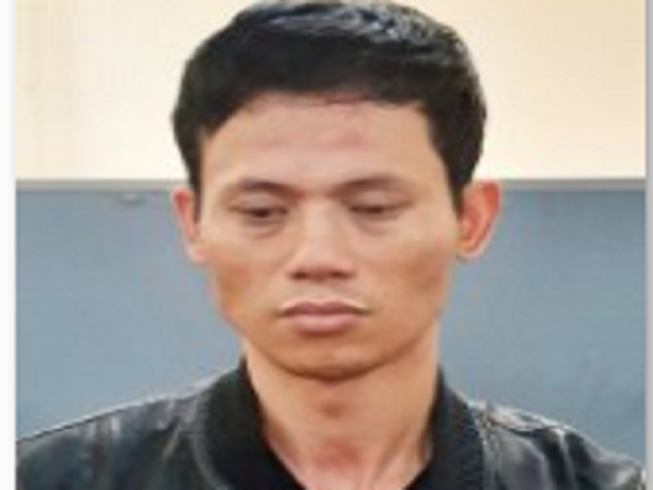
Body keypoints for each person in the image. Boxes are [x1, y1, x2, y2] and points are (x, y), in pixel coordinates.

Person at [18, 1, 644, 489]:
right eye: (262, 212)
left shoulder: (588, 484)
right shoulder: (60, 478)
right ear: (194, 223)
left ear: (471, 218)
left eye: (373, 208)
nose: (317, 256)